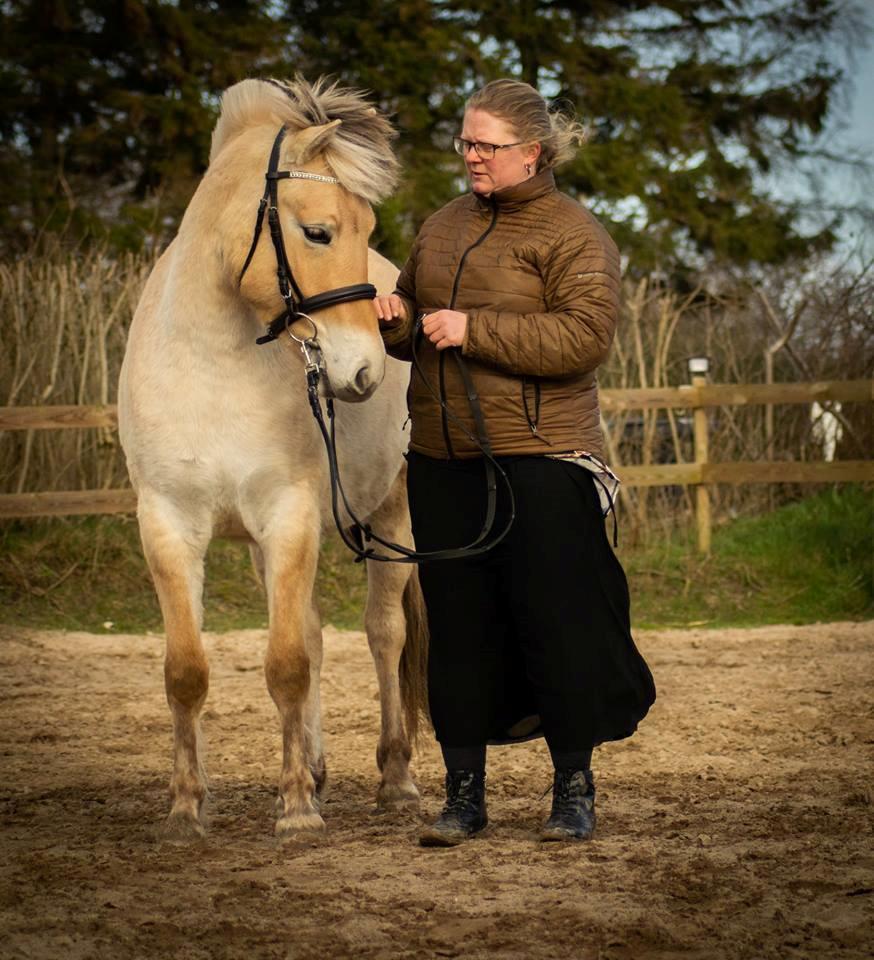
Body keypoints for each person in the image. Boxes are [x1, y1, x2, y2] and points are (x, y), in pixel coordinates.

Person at [374, 79, 655, 846]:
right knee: (456, 631)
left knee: (556, 626)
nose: (471, 155)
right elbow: (415, 320)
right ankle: (463, 798)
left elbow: (584, 339)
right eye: (465, 141)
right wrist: (395, 321)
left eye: (486, 145)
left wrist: (476, 329)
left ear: (531, 152)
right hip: (442, 459)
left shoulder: (574, 233)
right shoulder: (440, 226)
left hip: (543, 460)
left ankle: (573, 791)